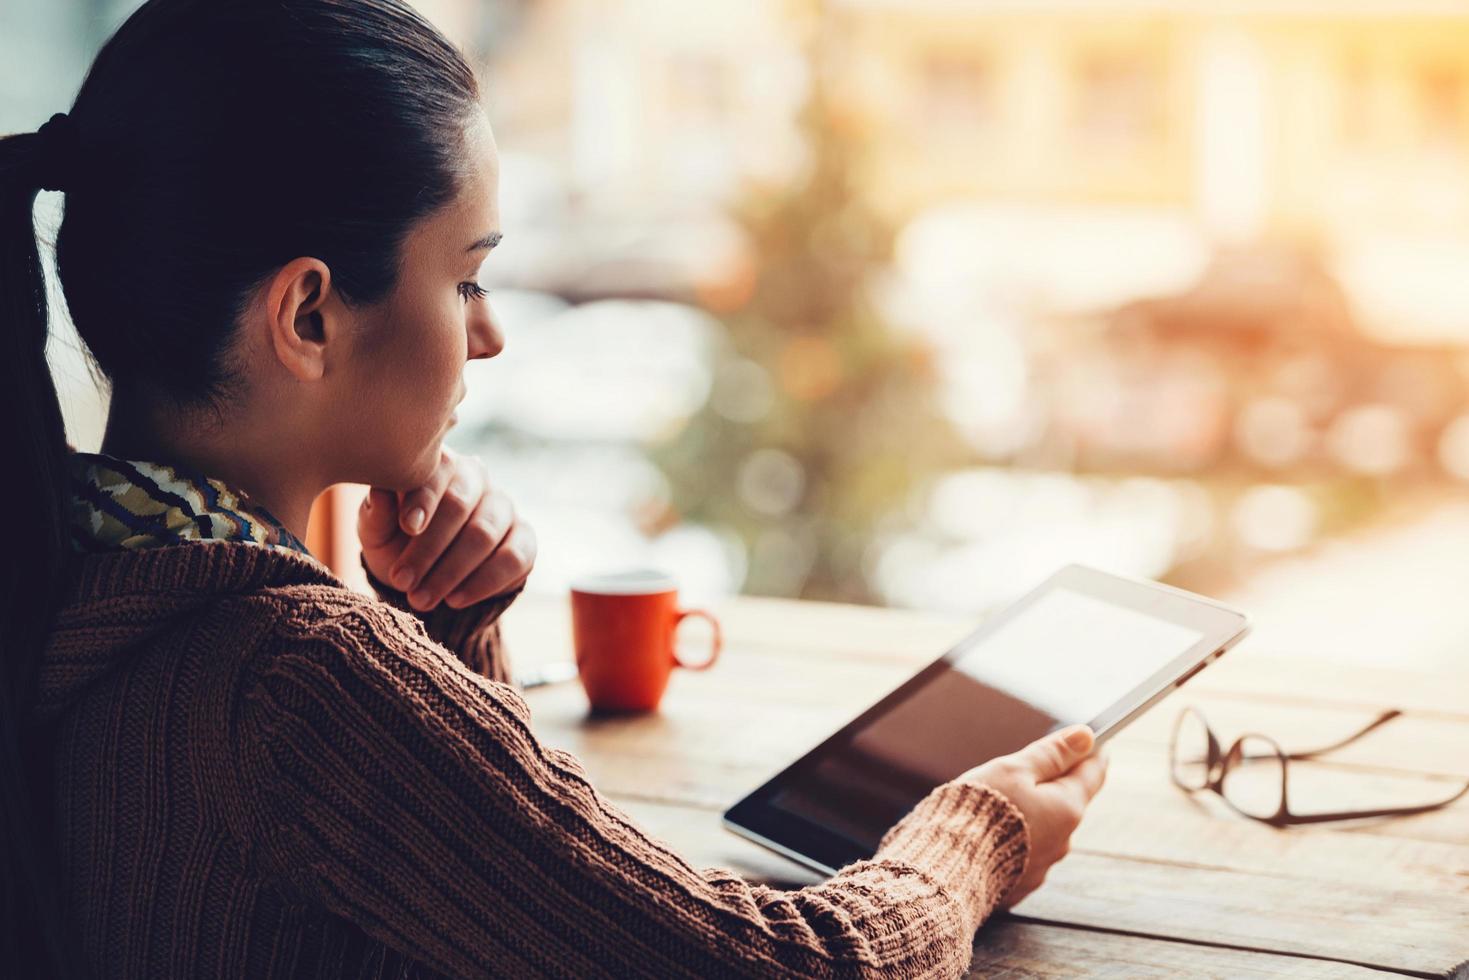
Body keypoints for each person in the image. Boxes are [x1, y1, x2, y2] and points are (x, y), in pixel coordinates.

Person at [0, 1, 1107, 977]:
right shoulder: (296, 678)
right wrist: (976, 829)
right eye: (466, 276)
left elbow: (499, 908)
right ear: (308, 317)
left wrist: (444, 639)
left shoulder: (77, 562)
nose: (487, 334)